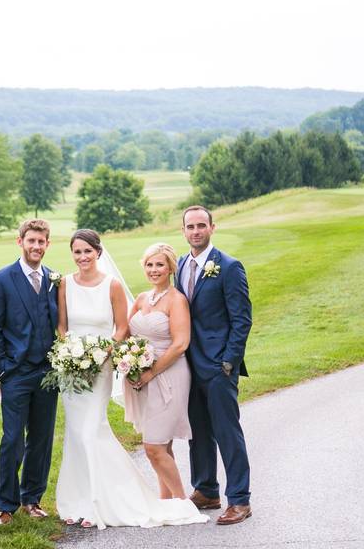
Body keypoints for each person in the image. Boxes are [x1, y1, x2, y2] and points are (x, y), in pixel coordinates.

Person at [55, 228, 208, 530]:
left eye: (88, 250)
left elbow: (123, 328)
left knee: (94, 430)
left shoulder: (115, 287)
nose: (82, 256)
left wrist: (99, 355)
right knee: (75, 433)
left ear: (98, 252)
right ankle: (77, 501)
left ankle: (114, 500)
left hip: (105, 368)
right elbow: (64, 326)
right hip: (72, 369)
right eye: (77, 251)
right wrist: (71, 354)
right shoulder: (66, 285)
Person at [177, 205, 253, 525]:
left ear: (212, 227)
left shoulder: (229, 267)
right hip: (188, 367)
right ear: (184, 231)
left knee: (227, 432)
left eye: (201, 226)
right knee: (198, 432)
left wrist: (228, 363)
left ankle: (240, 499)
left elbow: (242, 320)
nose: (196, 231)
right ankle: (206, 489)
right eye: (190, 227)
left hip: (218, 367)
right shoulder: (181, 264)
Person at [0, 219, 60, 525]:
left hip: (48, 372)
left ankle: (33, 498)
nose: (36, 247)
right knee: (12, 439)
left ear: (47, 244)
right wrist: (3, 368)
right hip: (16, 373)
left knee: (41, 439)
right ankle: (5, 505)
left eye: (41, 242)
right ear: (20, 242)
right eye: (31, 241)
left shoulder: (55, 279)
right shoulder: (1, 279)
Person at [124, 243, 193, 500]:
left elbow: (180, 344)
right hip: (143, 375)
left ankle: (182, 502)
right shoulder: (142, 298)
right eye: (149, 264)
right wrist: (123, 357)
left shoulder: (177, 300)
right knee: (161, 444)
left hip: (169, 375)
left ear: (170, 268)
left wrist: (150, 373)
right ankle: (166, 501)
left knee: (153, 447)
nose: (154, 270)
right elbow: (124, 333)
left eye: (160, 265)